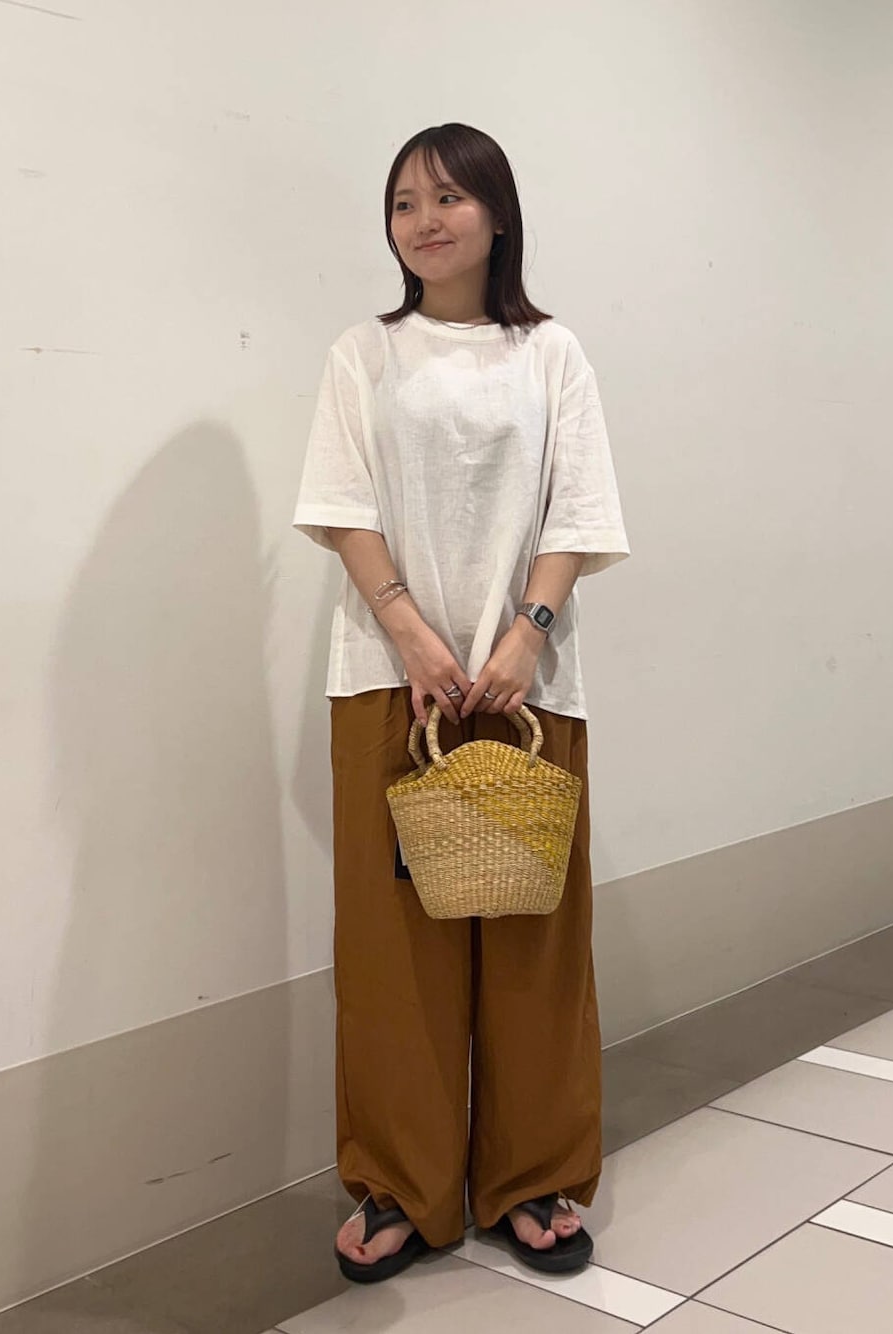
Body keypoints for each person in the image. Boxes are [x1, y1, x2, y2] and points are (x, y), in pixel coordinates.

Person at [293, 122, 630, 1284]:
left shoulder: (551, 353)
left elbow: (580, 509)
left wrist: (526, 634)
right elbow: (341, 504)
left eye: (447, 197)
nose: (424, 220)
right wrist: (408, 630)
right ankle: (403, 1182)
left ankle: (533, 1175)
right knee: (392, 948)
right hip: (391, 681)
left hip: (526, 681)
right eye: (403, 202)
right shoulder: (364, 353)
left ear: (496, 213)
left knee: (536, 941)